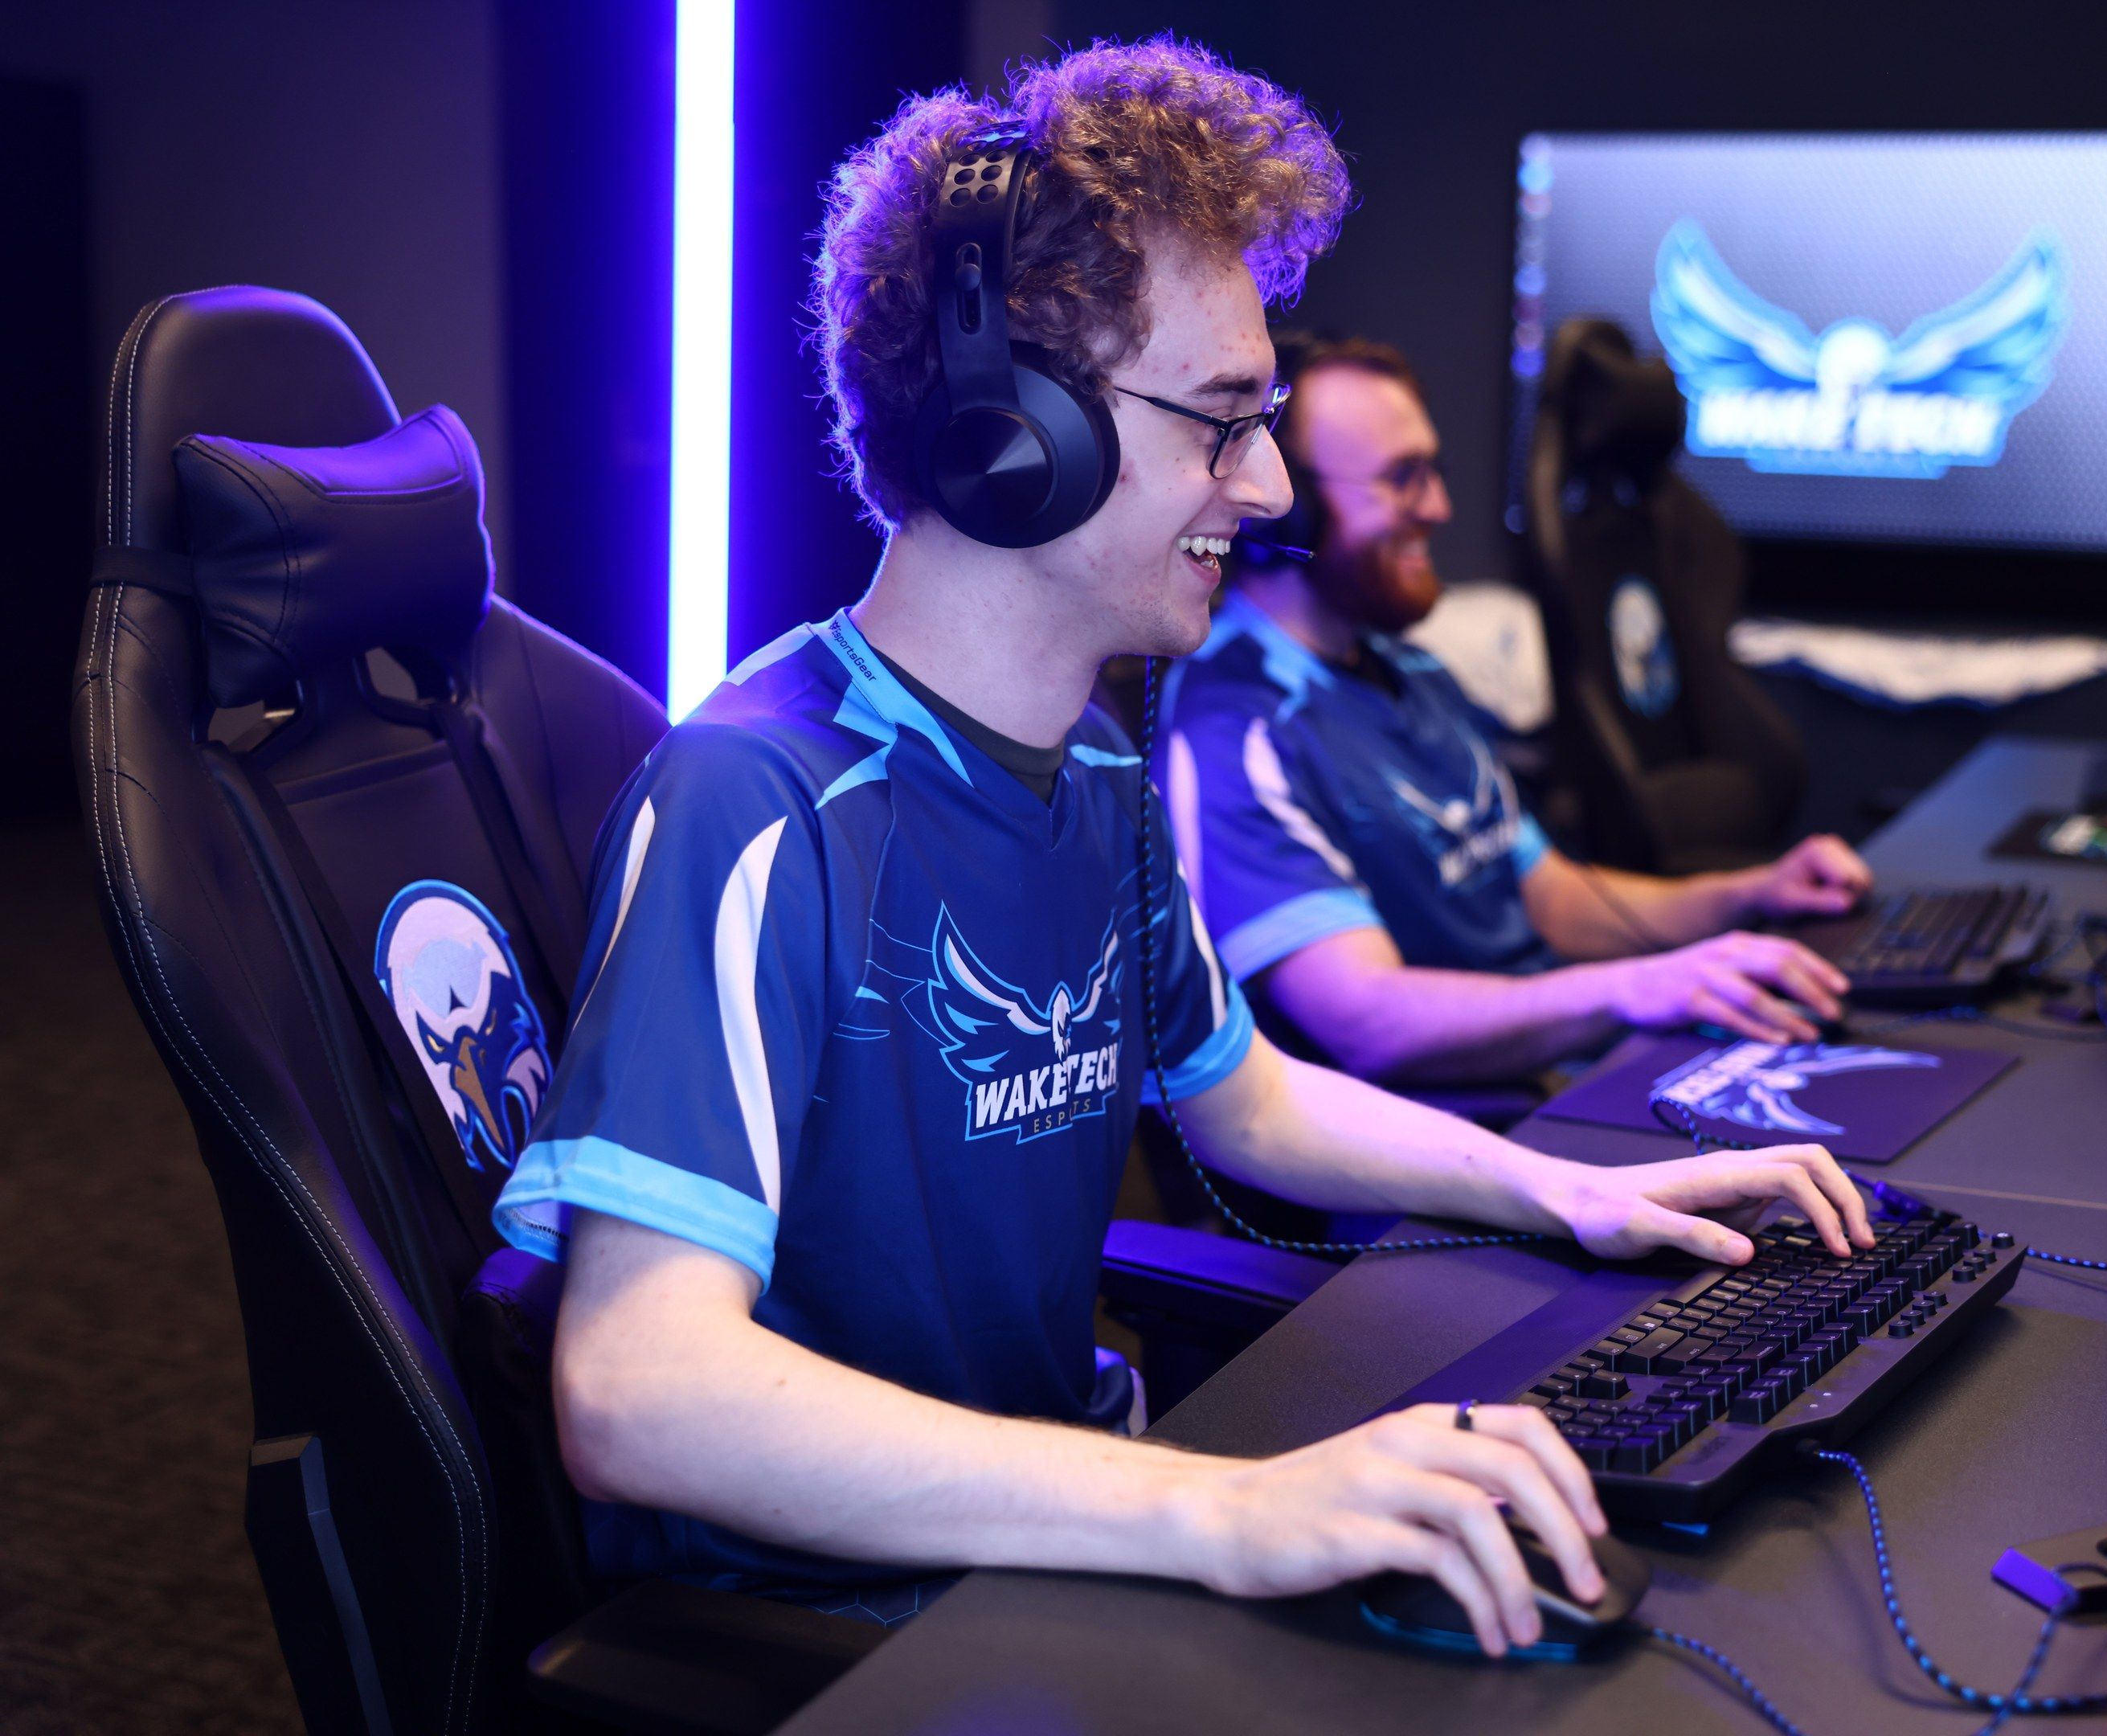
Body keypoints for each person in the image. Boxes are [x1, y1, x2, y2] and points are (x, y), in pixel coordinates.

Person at [493, 40, 1872, 1654]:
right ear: (1008, 441)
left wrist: (1571, 1196)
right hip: (843, 1624)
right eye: (1221, 424)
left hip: (1055, 1522)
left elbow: (1247, 1096)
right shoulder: (756, 800)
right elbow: (636, 1393)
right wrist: (1221, 1507)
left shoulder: (1092, 763)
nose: (1272, 485)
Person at [1160, 335, 1876, 1087]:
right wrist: (1635, 991)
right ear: (1287, 510)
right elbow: (1369, 1022)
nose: (1439, 508)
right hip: (1430, 1151)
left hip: (1545, 1086)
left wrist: (1754, 893)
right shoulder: (1232, 730)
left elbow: (1553, 900)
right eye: (1404, 479)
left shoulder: (1410, 671)